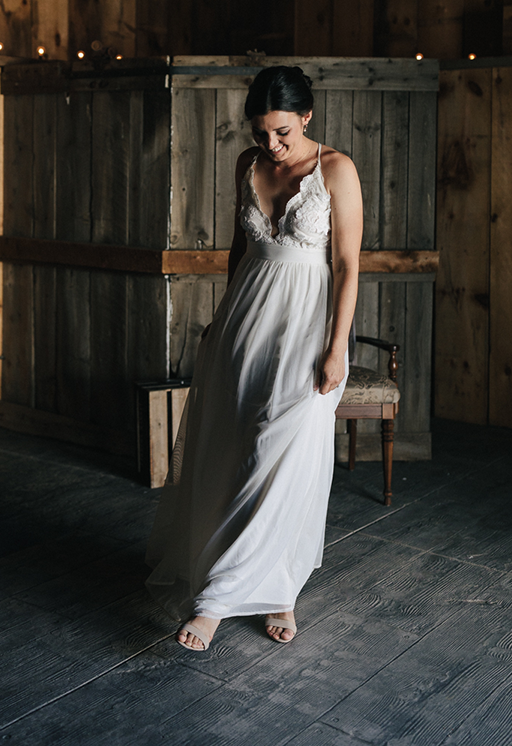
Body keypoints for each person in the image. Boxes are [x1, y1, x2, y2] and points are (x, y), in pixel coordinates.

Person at [145, 65, 363, 651]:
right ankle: (272, 589)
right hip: (245, 323)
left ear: (307, 116)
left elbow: (347, 266)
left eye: (283, 132)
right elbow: (239, 250)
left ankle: (218, 602)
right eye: (261, 132)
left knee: (286, 457)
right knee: (235, 449)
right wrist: (220, 320)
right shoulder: (248, 163)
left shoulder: (336, 169)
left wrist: (336, 347)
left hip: (307, 329)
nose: (272, 144)